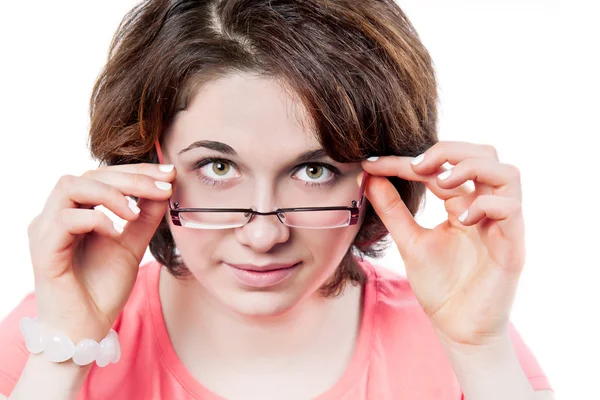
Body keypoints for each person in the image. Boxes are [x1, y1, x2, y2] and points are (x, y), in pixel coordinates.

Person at [0, 0, 554, 399]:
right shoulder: (51, 335)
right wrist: (65, 353)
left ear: (375, 176)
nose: (264, 235)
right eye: (217, 168)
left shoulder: (462, 343)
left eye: (313, 170)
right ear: (151, 158)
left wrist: (480, 353)